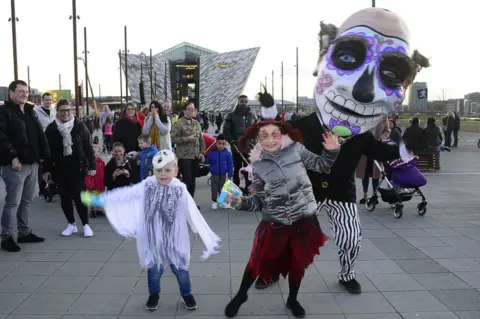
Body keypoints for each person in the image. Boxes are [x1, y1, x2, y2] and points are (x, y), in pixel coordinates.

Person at [288, 8, 430, 294]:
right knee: (287, 239)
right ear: (321, 59)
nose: (364, 91)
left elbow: (380, 151)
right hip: (305, 193)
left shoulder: (361, 135)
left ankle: (347, 273)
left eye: (391, 74)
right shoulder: (300, 126)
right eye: (348, 58)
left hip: (341, 194)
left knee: (352, 238)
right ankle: (271, 271)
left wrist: (405, 149)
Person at [224, 90, 340, 318]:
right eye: (264, 136)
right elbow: (258, 199)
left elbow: (321, 165)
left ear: (282, 133)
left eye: (274, 134)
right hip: (275, 222)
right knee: (256, 261)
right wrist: (240, 202)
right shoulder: (257, 165)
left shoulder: (296, 149)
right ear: (258, 138)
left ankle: (292, 299)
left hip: (304, 219)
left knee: (297, 263)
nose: (269, 140)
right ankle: (241, 295)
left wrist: (332, 151)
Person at [80, 150, 221, 312]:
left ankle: (187, 294)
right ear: (153, 170)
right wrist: (101, 199)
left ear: (176, 171)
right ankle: (154, 295)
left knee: (181, 270)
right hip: (154, 240)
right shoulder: (147, 185)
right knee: (154, 271)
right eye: (159, 170)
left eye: (168, 170)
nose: (163, 174)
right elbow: (127, 195)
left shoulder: (180, 189)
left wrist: (197, 228)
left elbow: (190, 210)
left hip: (175, 240)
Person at [0, 80, 50, 252]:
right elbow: (2, 136)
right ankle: (7, 236)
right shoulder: (4, 111)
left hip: (33, 162)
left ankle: (23, 232)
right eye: (20, 91)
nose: (24, 94)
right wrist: (13, 156)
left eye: (26, 91)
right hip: (16, 164)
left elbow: (38, 136)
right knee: (12, 202)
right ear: (11, 93)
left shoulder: (30, 111)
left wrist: (44, 157)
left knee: (27, 200)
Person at [43, 99, 96, 237]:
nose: (65, 113)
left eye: (68, 110)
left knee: (79, 197)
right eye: (62, 110)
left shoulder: (79, 126)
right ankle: (71, 224)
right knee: (64, 197)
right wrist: (46, 170)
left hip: (77, 168)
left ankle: (85, 224)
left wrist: (92, 165)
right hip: (59, 169)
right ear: (58, 112)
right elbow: (47, 152)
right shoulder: (51, 129)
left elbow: (88, 147)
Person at [170, 102, 205, 198]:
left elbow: (201, 139)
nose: (192, 111)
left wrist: (202, 152)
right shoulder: (178, 123)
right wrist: (188, 138)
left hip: (195, 156)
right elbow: (172, 139)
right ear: (184, 111)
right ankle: (185, 202)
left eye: (193, 109)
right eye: (190, 109)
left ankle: (191, 203)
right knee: (187, 180)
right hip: (184, 156)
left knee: (193, 180)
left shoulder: (197, 123)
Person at [223, 95, 256, 194]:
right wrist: (231, 141)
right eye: (242, 101)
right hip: (237, 146)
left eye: (246, 101)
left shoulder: (252, 115)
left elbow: (256, 130)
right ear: (238, 102)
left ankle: (248, 190)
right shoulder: (231, 115)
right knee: (237, 168)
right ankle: (235, 191)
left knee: (248, 169)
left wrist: (255, 143)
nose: (244, 103)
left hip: (249, 146)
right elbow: (226, 130)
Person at [356, 118, 390, 204]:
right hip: (364, 148)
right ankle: (365, 195)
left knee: (376, 174)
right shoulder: (364, 114)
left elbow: (387, 130)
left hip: (376, 146)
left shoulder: (383, 117)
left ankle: (374, 195)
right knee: (365, 173)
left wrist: (381, 138)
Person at [34, 92, 56, 197]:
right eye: (46, 100)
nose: (48, 102)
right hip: (41, 142)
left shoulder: (54, 112)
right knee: (42, 166)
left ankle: (52, 187)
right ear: (42, 100)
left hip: (52, 141)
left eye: (50, 100)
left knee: (53, 164)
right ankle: (42, 189)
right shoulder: (36, 111)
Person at [204, 133, 233, 209]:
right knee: (214, 189)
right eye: (219, 143)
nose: (221, 145)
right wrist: (204, 160)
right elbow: (208, 161)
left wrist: (230, 175)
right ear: (216, 143)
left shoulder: (227, 153)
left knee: (223, 189)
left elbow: (230, 165)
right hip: (214, 175)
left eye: (223, 144)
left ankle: (223, 201)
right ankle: (214, 201)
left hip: (223, 174)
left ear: (225, 144)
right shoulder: (212, 153)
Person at [85, 145, 105, 218]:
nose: (96, 153)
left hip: (100, 183)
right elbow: (87, 175)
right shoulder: (89, 163)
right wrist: (89, 183)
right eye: (93, 152)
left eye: (97, 151)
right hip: (93, 183)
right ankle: (92, 210)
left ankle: (99, 210)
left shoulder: (101, 162)